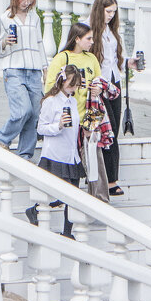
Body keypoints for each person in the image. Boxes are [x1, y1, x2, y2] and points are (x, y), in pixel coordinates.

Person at [24, 64, 85, 237]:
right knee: (58, 194)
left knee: (73, 197)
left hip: (71, 154)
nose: (74, 88)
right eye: (71, 84)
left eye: (76, 85)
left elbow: (73, 127)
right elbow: (41, 128)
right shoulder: (50, 101)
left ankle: (68, 232)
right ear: (62, 81)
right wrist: (58, 126)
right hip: (54, 154)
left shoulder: (72, 101)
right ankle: (35, 210)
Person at [87, 0, 139, 197]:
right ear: (100, 9)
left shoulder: (111, 31)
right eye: (108, 11)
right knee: (98, 130)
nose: (111, 15)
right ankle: (103, 178)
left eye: (114, 12)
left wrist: (128, 63)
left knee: (113, 130)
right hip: (96, 88)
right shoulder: (87, 28)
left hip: (113, 84)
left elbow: (113, 59)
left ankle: (110, 178)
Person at [0, 0, 48, 159]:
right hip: (13, 69)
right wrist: (4, 42)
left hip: (34, 70)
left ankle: (25, 154)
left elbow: (40, 44)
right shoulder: (5, 18)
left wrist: (45, 67)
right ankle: (3, 137)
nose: (27, 3)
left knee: (34, 115)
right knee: (23, 110)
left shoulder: (34, 17)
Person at [44, 22, 101, 115]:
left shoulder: (92, 58)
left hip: (88, 115)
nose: (92, 42)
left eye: (92, 38)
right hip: (66, 113)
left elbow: (99, 80)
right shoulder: (62, 58)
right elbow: (49, 86)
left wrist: (98, 88)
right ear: (77, 39)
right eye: (88, 38)